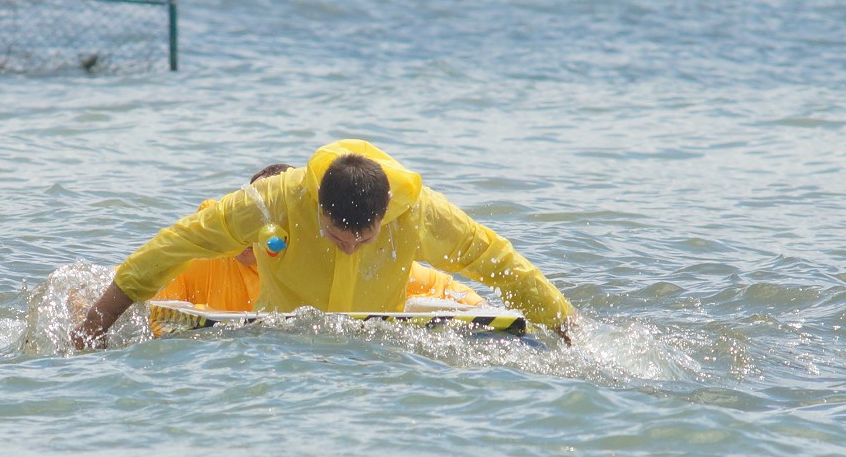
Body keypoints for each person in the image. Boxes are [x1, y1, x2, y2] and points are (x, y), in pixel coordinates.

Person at [71, 139, 576, 349]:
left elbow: (499, 261)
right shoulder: (272, 203)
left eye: (365, 238)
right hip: (279, 349)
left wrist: (569, 326)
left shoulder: (420, 213)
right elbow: (172, 247)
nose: (351, 248)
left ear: (384, 216)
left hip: (381, 351)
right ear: (318, 210)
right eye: (338, 238)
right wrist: (94, 326)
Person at [149, 163, 488, 332]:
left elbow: (441, 289)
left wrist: (484, 312)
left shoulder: (326, 262)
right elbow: (146, 296)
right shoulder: (200, 259)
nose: (258, 234)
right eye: (249, 221)